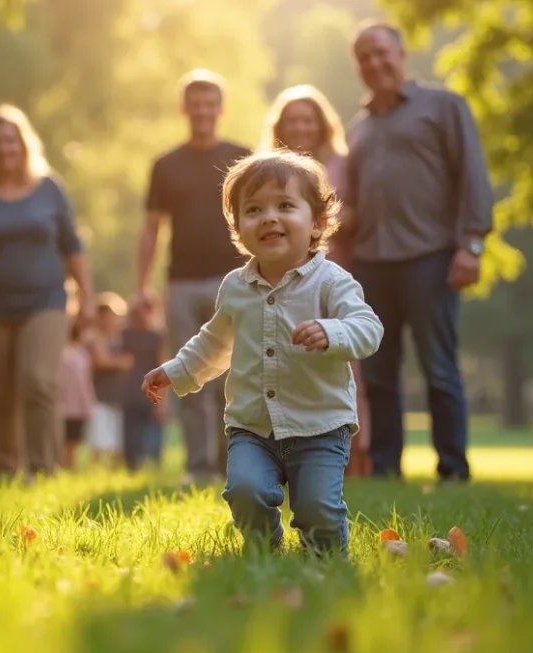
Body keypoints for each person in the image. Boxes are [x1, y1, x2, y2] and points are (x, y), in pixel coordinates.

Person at [141, 151, 383, 554]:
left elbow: (369, 328)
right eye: (254, 210)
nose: (269, 217)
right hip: (252, 425)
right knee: (245, 491)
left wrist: (332, 330)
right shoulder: (236, 286)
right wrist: (175, 370)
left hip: (319, 424)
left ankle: (324, 559)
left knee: (317, 507)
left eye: (285, 205)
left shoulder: (331, 282)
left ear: (317, 223)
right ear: (239, 230)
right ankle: (264, 551)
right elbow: (214, 343)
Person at [346, 21, 493, 482]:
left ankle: (453, 469)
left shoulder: (444, 106)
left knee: (439, 368)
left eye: (381, 52)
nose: (375, 63)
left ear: (401, 53)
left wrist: (472, 243)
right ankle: (387, 468)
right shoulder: (359, 128)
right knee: (379, 374)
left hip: (431, 256)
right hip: (371, 261)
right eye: (364, 57)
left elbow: (473, 174)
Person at [0, 103, 94, 478]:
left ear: (23, 145)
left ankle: (43, 469)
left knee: (39, 381)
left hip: (45, 301)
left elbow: (72, 247)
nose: (4, 149)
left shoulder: (48, 189)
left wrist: (87, 299)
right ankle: (7, 470)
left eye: (10, 141)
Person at [137, 69, 252, 484]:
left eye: (210, 102)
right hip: (182, 283)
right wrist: (142, 286)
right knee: (189, 373)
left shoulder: (243, 156)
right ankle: (198, 467)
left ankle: (233, 462)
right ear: (184, 109)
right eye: (195, 103)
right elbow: (151, 228)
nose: (203, 111)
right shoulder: (165, 165)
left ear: (221, 108)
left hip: (236, 280)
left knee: (235, 376)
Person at [260, 84, 372, 478]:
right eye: (292, 120)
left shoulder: (343, 163)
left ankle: (357, 453)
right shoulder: (267, 169)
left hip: (333, 265)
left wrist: (326, 223)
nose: (301, 127)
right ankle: (284, 451)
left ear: (321, 125)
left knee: (344, 359)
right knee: (289, 351)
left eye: (308, 120)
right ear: (280, 126)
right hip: (282, 272)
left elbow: (359, 212)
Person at [122, 291, 168, 471]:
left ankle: (152, 467)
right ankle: (131, 467)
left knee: (152, 435)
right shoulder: (124, 334)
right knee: (130, 437)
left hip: (152, 391)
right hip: (129, 391)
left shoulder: (158, 336)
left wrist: (163, 403)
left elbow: (164, 366)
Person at [88, 292, 131, 468]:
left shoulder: (121, 338)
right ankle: (96, 472)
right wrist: (120, 362)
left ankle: (116, 473)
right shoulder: (94, 337)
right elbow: (100, 360)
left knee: (118, 443)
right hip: (99, 396)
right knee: (99, 441)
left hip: (118, 397)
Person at [57, 321, 96, 470]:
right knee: (64, 439)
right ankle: (63, 466)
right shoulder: (64, 352)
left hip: (77, 405)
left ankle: (69, 467)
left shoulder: (82, 354)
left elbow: (86, 380)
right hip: (65, 404)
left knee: (73, 440)